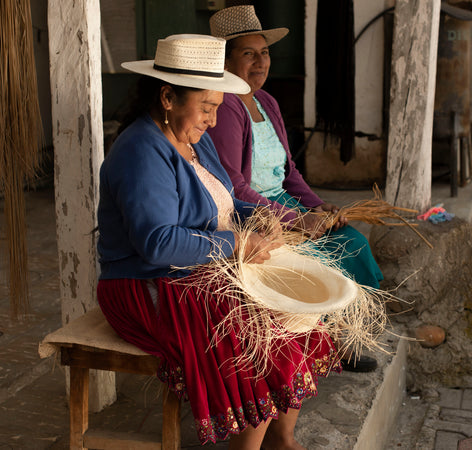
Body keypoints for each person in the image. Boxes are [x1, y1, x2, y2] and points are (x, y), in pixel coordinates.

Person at [96, 34, 341, 449]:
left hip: (201, 268)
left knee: (304, 313)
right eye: (207, 107)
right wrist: (238, 245)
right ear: (168, 97)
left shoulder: (195, 138)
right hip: (148, 284)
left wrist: (259, 219)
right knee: (258, 337)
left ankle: (282, 439)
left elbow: (220, 204)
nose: (213, 119)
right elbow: (158, 244)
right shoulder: (142, 151)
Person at [207, 6, 383, 371]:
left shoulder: (266, 102)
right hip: (254, 213)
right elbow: (234, 184)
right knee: (321, 258)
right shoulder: (224, 108)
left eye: (265, 52)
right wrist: (295, 220)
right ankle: (321, 349)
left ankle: (342, 336)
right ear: (225, 60)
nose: (260, 62)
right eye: (248, 53)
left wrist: (320, 208)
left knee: (352, 241)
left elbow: (289, 173)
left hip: (286, 205)